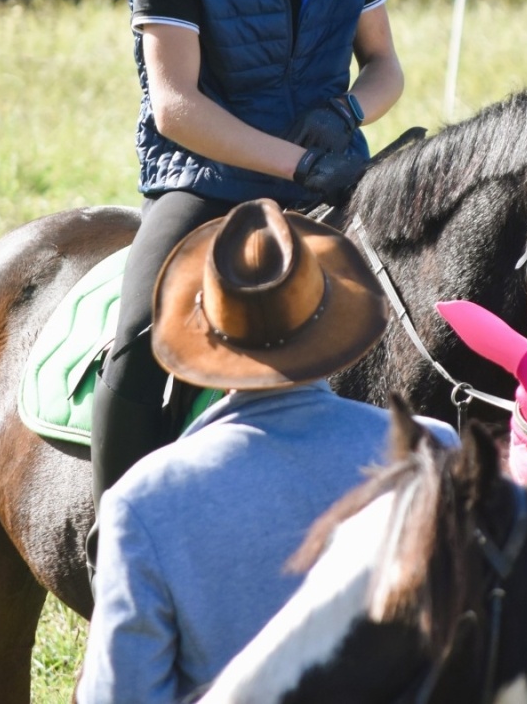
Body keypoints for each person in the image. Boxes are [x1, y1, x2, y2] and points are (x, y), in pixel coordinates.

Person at [92, 0, 406, 521]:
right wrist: (297, 164)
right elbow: (176, 106)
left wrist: (345, 111)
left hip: (335, 175)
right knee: (138, 337)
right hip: (210, 182)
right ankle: (115, 530)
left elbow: (385, 67)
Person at [76, 199, 456, 703]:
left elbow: (124, 697)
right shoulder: (433, 450)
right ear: (330, 317)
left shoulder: (140, 502)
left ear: (207, 336)